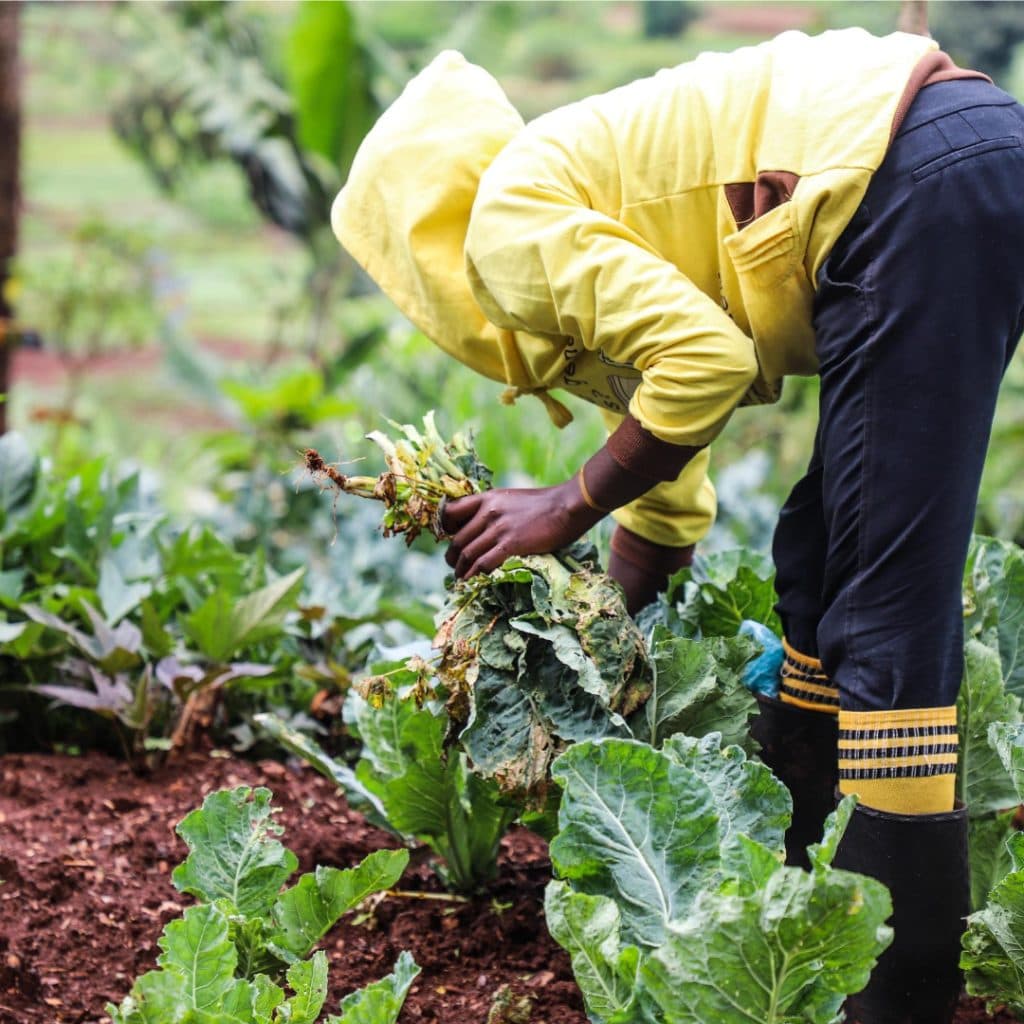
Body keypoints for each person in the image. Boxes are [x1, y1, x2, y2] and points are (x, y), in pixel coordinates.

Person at [332, 27, 1024, 1024]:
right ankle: (807, 902)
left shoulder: (508, 231)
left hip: (906, 182)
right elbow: (662, 482)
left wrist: (563, 504)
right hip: (939, 156)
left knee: (884, 613)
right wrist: (607, 646)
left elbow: (702, 363)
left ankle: (899, 995)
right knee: (819, 561)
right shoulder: (570, 211)